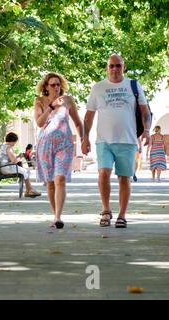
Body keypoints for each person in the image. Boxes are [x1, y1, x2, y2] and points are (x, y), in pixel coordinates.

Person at [82, 54, 151, 228]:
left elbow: (144, 111)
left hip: (127, 140)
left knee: (124, 178)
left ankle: (122, 215)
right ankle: (106, 210)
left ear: (123, 67)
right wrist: (85, 138)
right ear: (107, 68)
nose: (114, 69)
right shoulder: (98, 88)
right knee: (103, 172)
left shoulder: (133, 85)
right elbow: (89, 116)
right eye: (111, 66)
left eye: (118, 66)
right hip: (104, 140)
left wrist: (147, 130)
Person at [34, 72, 83, 229]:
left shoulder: (68, 101)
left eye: (58, 84)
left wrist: (84, 141)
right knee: (50, 184)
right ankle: (55, 216)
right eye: (53, 85)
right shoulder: (40, 101)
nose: (56, 87)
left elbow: (78, 123)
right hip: (45, 146)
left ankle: (58, 217)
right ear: (46, 87)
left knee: (60, 179)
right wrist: (50, 107)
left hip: (64, 145)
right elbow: (40, 123)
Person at [0, 133, 41, 197]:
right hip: (7, 168)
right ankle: (29, 191)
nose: (14, 144)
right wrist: (20, 157)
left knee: (25, 171)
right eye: (15, 142)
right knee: (25, 171)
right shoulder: (8, 148)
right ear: (12, 141)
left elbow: (10, 159)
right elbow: (14, 161)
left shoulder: (3, 146)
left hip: (4, 167)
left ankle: (28, 190)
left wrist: (17, 156)